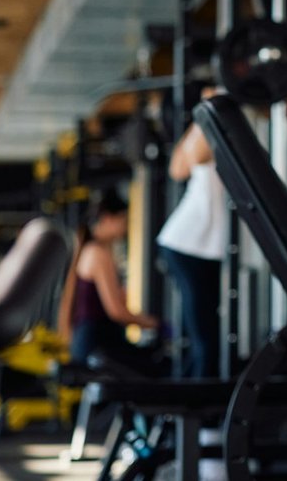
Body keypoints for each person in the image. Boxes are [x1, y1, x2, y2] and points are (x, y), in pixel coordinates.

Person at [59, 191, 163, 375]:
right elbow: (116, 312)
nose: (126, 226)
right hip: (97, 348)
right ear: (107, 219)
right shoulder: (98, 253)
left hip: (90, 346)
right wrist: (156, 324)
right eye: (123, 219)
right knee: (160, 367)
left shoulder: (92, 251)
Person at [156, 120, 226, 379]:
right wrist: (203, 116)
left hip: (201, 245)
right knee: (205, 338)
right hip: (188, 244)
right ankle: (196, 409)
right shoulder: (206, 124)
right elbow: (178, 169)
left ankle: (187, 403)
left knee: (205, 334)